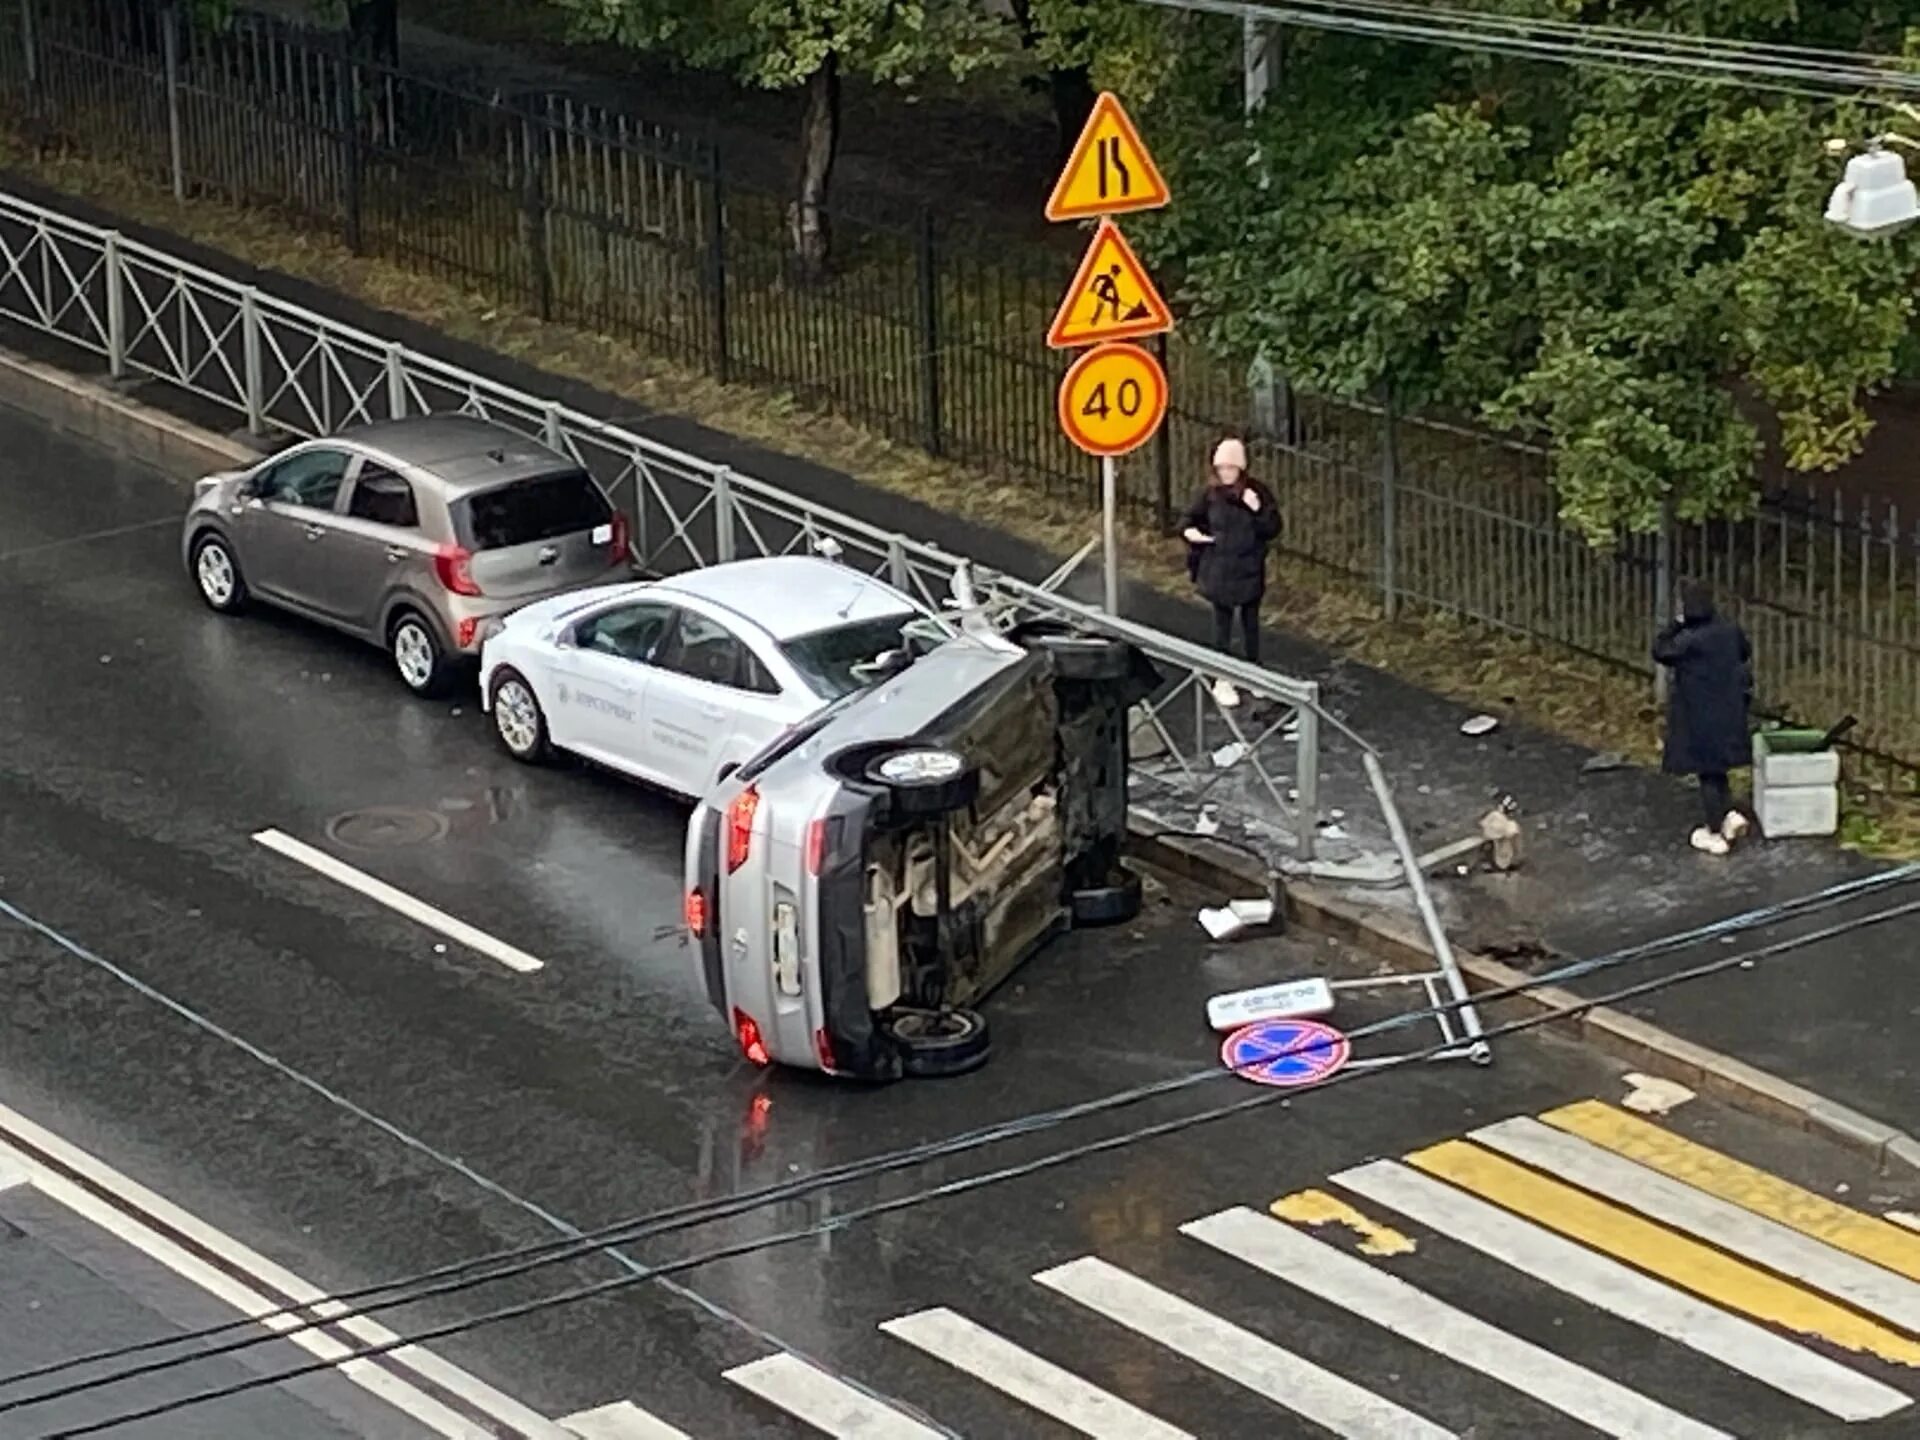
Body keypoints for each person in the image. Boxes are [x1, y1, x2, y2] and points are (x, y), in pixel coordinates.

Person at [1653, 579, 1754, 855]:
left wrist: (1676, 623)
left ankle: (1715, 833)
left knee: (1707, 774)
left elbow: (1661, 650)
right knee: (1719, 769)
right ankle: (1728, 815)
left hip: (1698, 716)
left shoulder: (1688, 640)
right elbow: (1745, 652)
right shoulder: (1728, 631)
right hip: (1730, 711)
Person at [1182, 438, 1279, 708]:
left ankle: (1253, 671)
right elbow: (1188, 520)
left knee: (1250, 622)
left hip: (1248, 567)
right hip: (1219, 567)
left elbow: (1272, 527)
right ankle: (1223, 678)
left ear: (1241, 468)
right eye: (1220, 468)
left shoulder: (1257, 492)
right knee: (1221, 624)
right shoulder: (1209, 495)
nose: (1225, 473)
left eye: (1230, 468)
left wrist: (1257, 509)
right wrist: (1194, 535)